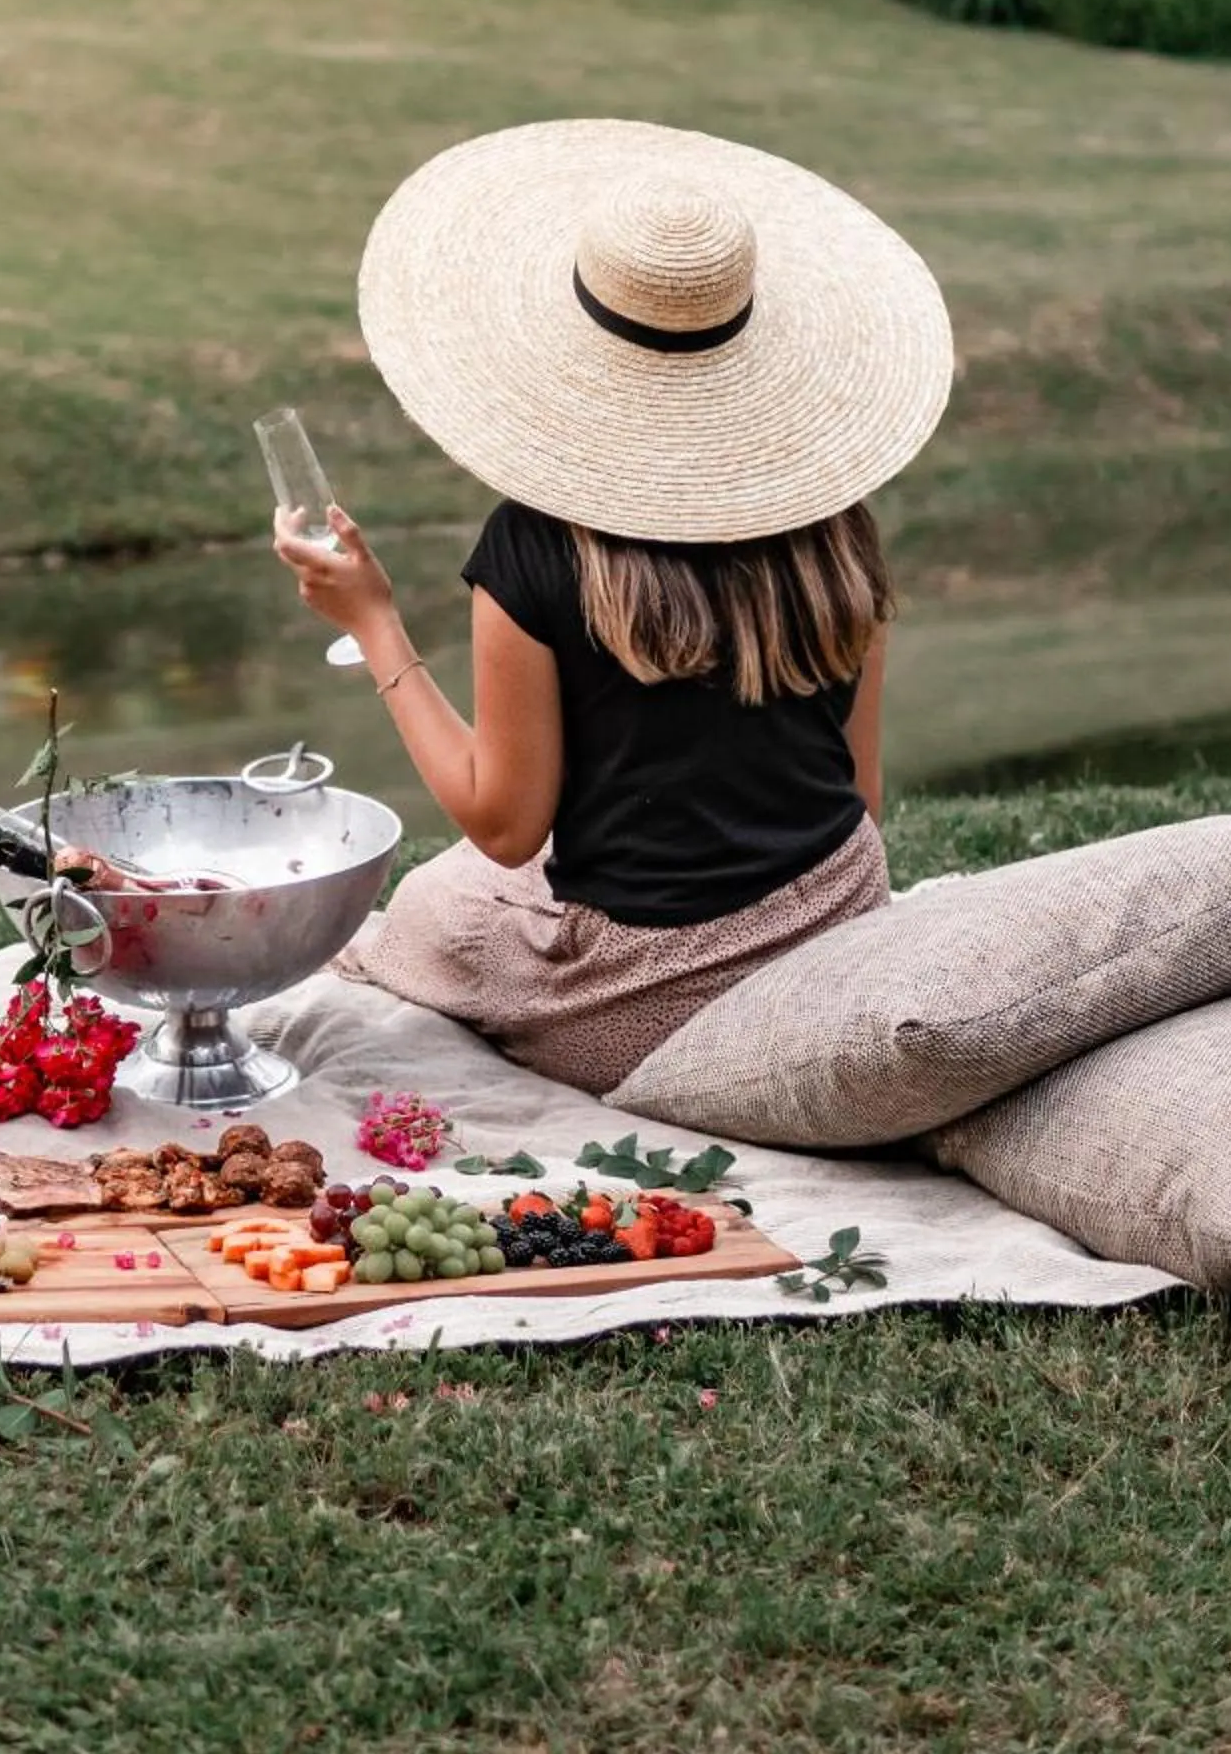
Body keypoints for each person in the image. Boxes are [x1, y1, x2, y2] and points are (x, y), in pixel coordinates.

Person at [273, 118, 953, 1099]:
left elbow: (505, 827)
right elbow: (861, 795)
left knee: (434, 905)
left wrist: (372, 621)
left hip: (643, 1004)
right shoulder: (832, 520)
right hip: (836, 922)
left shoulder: (535, 546)